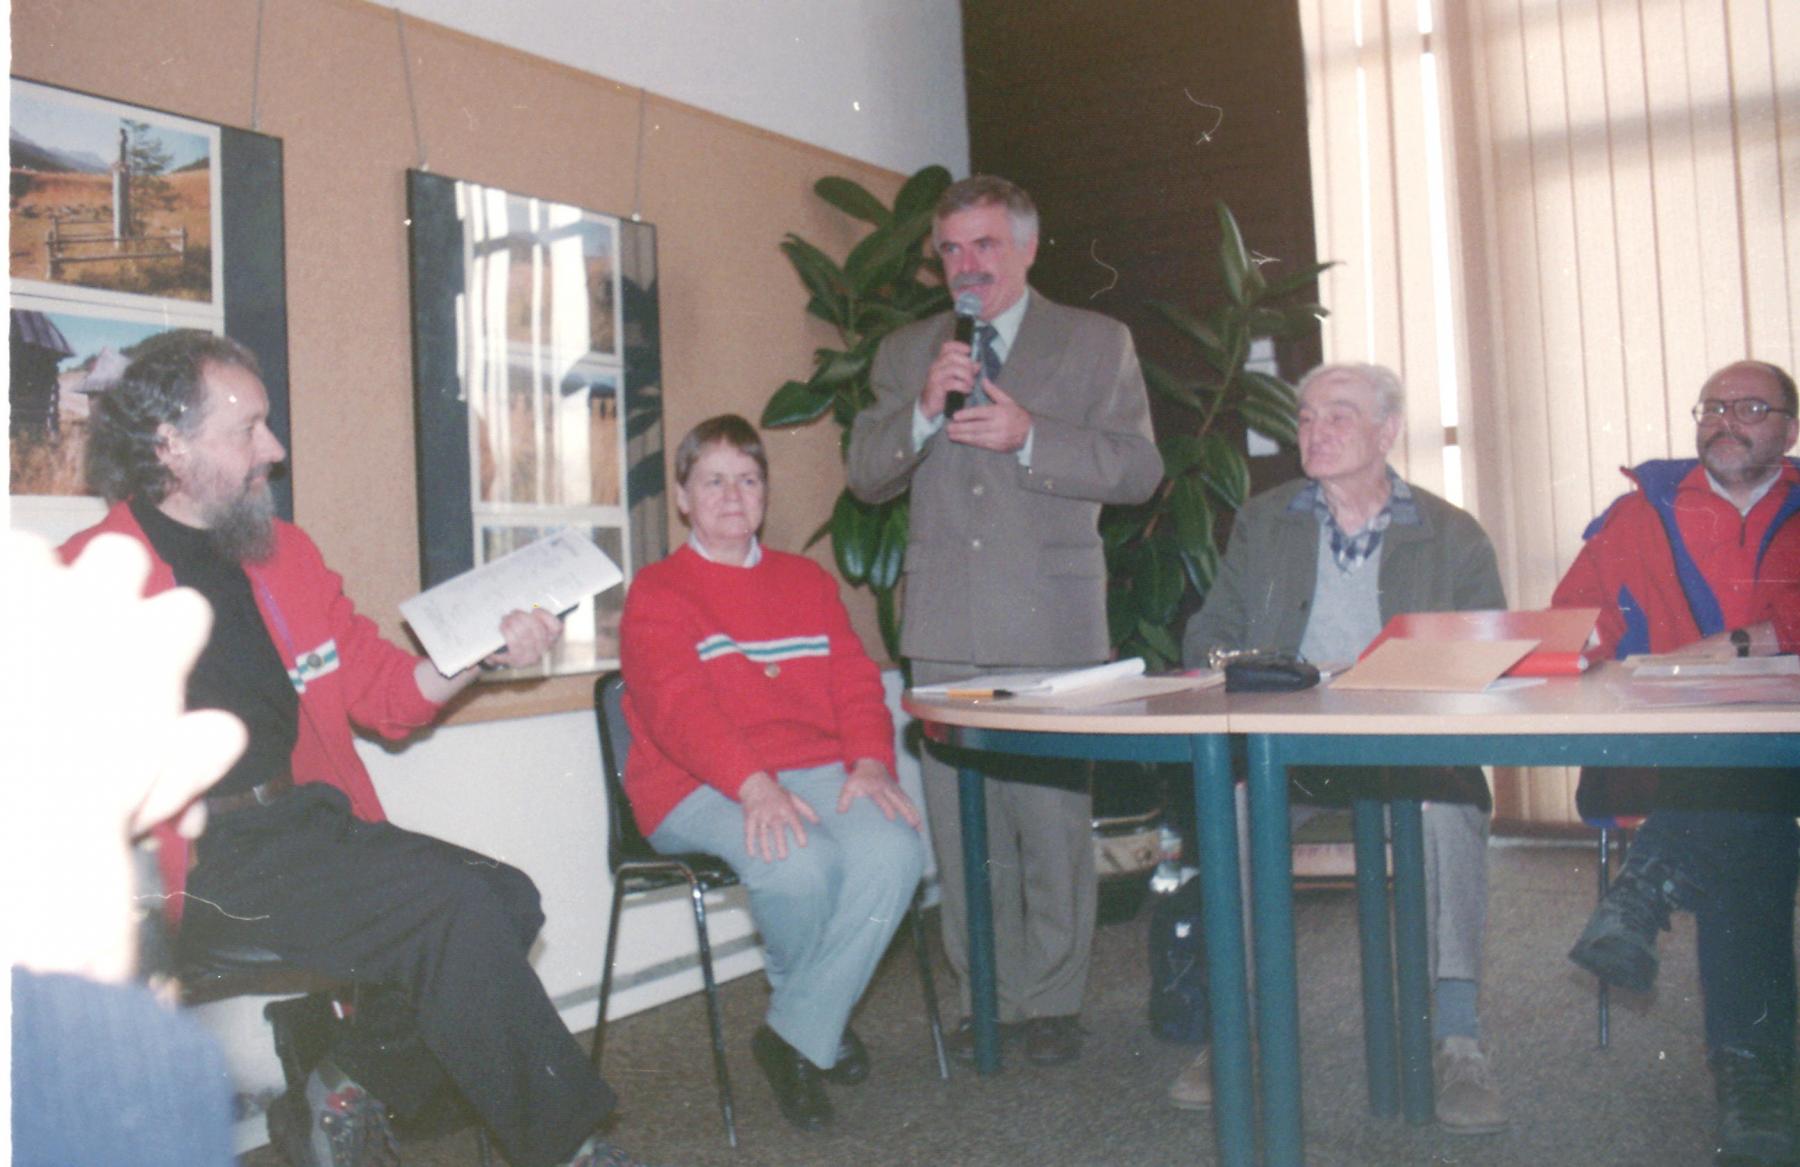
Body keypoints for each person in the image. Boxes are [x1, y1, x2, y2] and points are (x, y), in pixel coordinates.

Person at [57, 329, 648, 1167]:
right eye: (248, 429)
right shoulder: (85, 577)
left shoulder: (283, 555)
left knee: (505, 896)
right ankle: (572, 1149)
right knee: (452, 906)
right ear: (170, 447)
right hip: (188, 860)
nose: (274, 448)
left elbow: (384, 693)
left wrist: (480, 651)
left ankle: (342, 1079)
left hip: (298, 823)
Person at [846, 174, 1163, 1066]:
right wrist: (920, 412)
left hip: (1051, 619)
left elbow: (1138, 469)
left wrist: (1032, 436)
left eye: (985, 244)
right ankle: (986, 994)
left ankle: (1052, 999)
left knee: (1051, 825)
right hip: (945, 624)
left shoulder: (1096, 341)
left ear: (1026, 246)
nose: (967, 265)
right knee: (963, 828)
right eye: (951, 249)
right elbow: (865, 472)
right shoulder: (909, 350)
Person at [1181, 362, 1508, 1133]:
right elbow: (1208, 633)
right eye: (1304, 417)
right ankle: (1238, 1031)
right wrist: (1251, 669)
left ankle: (1458, 1038)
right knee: (1231, 809)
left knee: (1449, 812)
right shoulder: (1264, 522)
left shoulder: (1452, 532)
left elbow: (1493, 653)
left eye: (1338, 415)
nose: (1314, 430)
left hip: (1414, 754)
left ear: (1387, 432)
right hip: (1291, 754)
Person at [618, 414, 926, 1131]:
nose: (733, 495)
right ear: (684, 498)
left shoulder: (806, 581)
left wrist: (871, 762)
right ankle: (816, 1023)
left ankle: (793, 1028)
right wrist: (755, 786)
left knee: (895, 850)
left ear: (765, 493)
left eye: (749, 479)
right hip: (693, 783)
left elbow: (854, 682)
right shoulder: (659, 592)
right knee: (795, 859)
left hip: (814, 767)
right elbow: (679, 712)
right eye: (714, 481)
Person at [1555, 360, 1800, 1166]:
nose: (1727, 419)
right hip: (1680, 764)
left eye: (1752, 407)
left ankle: (1650, 884)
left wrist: (1730, 645)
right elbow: (1573, 621)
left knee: (1747, 788)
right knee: (1750, 807)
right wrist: (1594, 659)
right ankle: (1753, 1073)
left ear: (1790, 430)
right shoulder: (1639, 515)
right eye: (1713, 406)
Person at [8, 528, 249, 1167]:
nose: (270, 468)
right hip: (205, 864)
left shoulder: (281, 553)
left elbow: (384, 689)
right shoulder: (103, 551)